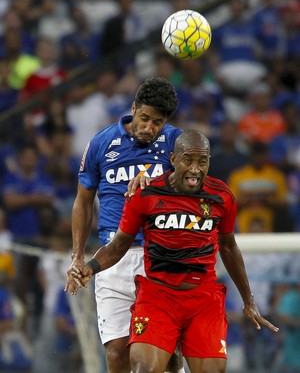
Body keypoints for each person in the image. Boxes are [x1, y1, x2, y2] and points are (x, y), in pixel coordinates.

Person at [66, 129, 279, 373]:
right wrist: (90, 267)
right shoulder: (146, 194)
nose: (196, 169)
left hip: (203, 301)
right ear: (173, 160)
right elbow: (118, 245)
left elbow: (229, 247)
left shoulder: (222, 196)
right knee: (144, 368)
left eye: (203, 161)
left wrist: (248, 301)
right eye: (188, 160)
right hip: (158, 298)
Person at [65, 77, 183, 373]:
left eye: (157, 122)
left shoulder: (175, 142)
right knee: (116, 353)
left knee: (165, 356)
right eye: (144, 118)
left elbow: (193, 189)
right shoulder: (102, 143)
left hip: (159, 256)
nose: (149, 128)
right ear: (133, 109)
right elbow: (82, 201)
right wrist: (78, 255)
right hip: (111, 258)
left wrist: (158, 184)